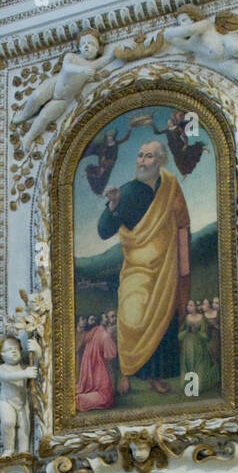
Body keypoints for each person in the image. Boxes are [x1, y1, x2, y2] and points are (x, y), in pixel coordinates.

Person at [98, 141, 190, 395]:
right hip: (137, 268)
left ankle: (155, 376)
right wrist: (113, 206)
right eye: (139, 155)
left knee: (164, 320)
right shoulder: (126, 192)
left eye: (148, 156)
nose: (141, 160)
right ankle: (126, 372)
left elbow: (182, 224)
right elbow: (104, 230)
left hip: (165, 268)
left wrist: (184, 265)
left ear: (160, 160)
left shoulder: (170, 185)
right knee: (132, 316)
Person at [76, 314, 117, 411]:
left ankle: (84, 395)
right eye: (106, 317)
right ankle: (81, 399)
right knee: (106, 397)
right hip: (99, 366)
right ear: (102, 321)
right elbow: (111, 354)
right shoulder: (103, 334)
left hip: (89, 366)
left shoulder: (93, 332)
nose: (108, 319)